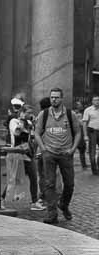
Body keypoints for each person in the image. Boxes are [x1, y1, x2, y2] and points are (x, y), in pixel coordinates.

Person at [34, 88, 83, 225]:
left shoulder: (70, 114)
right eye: (52, 97)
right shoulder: (43, 114)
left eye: (56, 97)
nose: (54, 99)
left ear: (62, 98)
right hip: (49, 153)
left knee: (69, 184)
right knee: (49, 184)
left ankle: (64, 204)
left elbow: (78, 132)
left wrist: (73, 149)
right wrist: (43, 148)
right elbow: (37, 133)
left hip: (66, 153)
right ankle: (52, 213)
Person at [82, 95, 99, 175]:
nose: (97, 101)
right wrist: (85, 135)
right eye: (95, 100)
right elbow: (84, 123)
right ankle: (94, 169)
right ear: (92, 101)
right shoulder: (88, 110)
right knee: (92, 151)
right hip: (92, 132)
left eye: (98, 100)